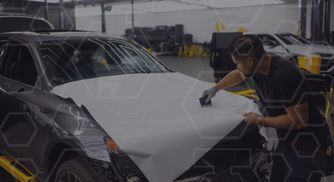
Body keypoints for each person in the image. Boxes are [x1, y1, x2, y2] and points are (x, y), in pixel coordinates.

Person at [202, 34, 333, 182]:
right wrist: (215, 89)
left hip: (309, 146)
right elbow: (239, 74)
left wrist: (260, 120)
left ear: (250, 60)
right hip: (288, 141)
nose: (237, 67)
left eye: (237, 63)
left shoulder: (285, 75)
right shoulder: (258, 67)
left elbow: (299, 121)